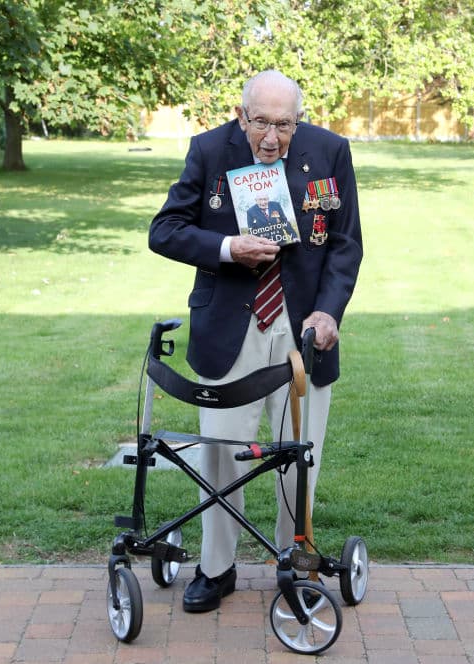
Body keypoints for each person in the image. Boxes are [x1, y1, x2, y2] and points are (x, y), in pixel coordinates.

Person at [148, 69, 363, 613]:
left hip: (302, 333)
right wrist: (226, 249)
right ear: (241, 114)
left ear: (300, 119)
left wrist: (328, 311)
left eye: (284, 125)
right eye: (261, 123)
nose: (272, 137)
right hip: (229, 329)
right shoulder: (207, 150)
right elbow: (165, 229)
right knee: (221, 456)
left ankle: (296, 562)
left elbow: (344, 245)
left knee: (300, 455)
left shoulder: (330, 151)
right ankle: (216, 569)